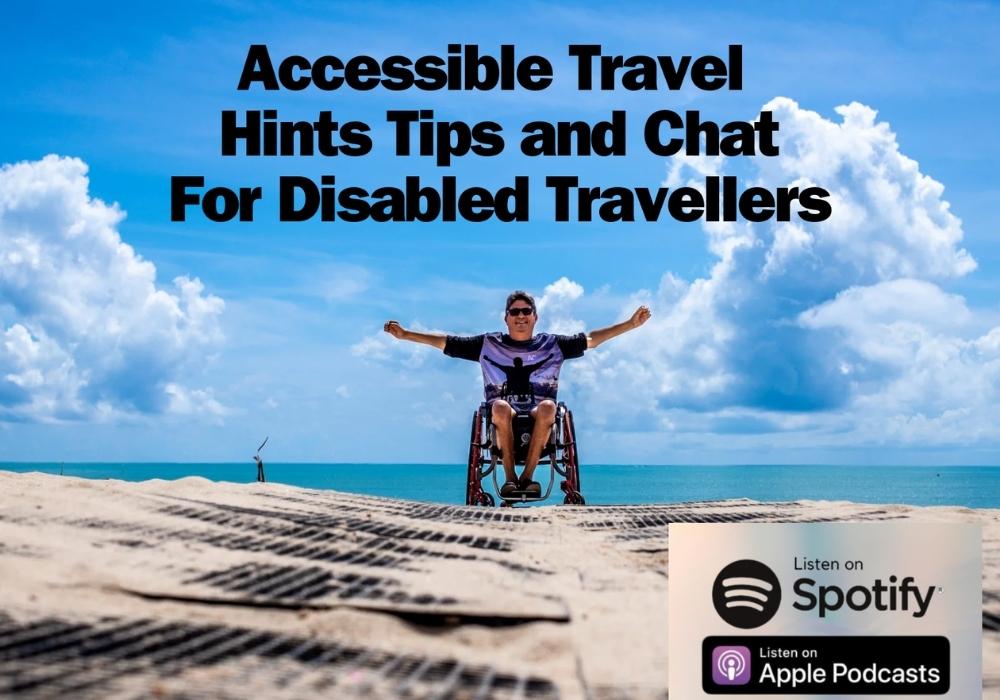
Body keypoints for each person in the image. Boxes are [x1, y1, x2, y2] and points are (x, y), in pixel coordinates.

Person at [384, 291, 651, 497]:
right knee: (498, 407)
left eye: (526, 311)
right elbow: (446, 342)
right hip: (502, 414)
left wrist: (630, 324)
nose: (520, 316)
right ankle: (511, 479)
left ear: (535, 316)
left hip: (540, 415)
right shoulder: (489, 344)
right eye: (515, 311)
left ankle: (528, 478)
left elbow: (591, 339)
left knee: (549, 407)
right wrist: (406, 335)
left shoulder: (552, 344)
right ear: (506, 317)